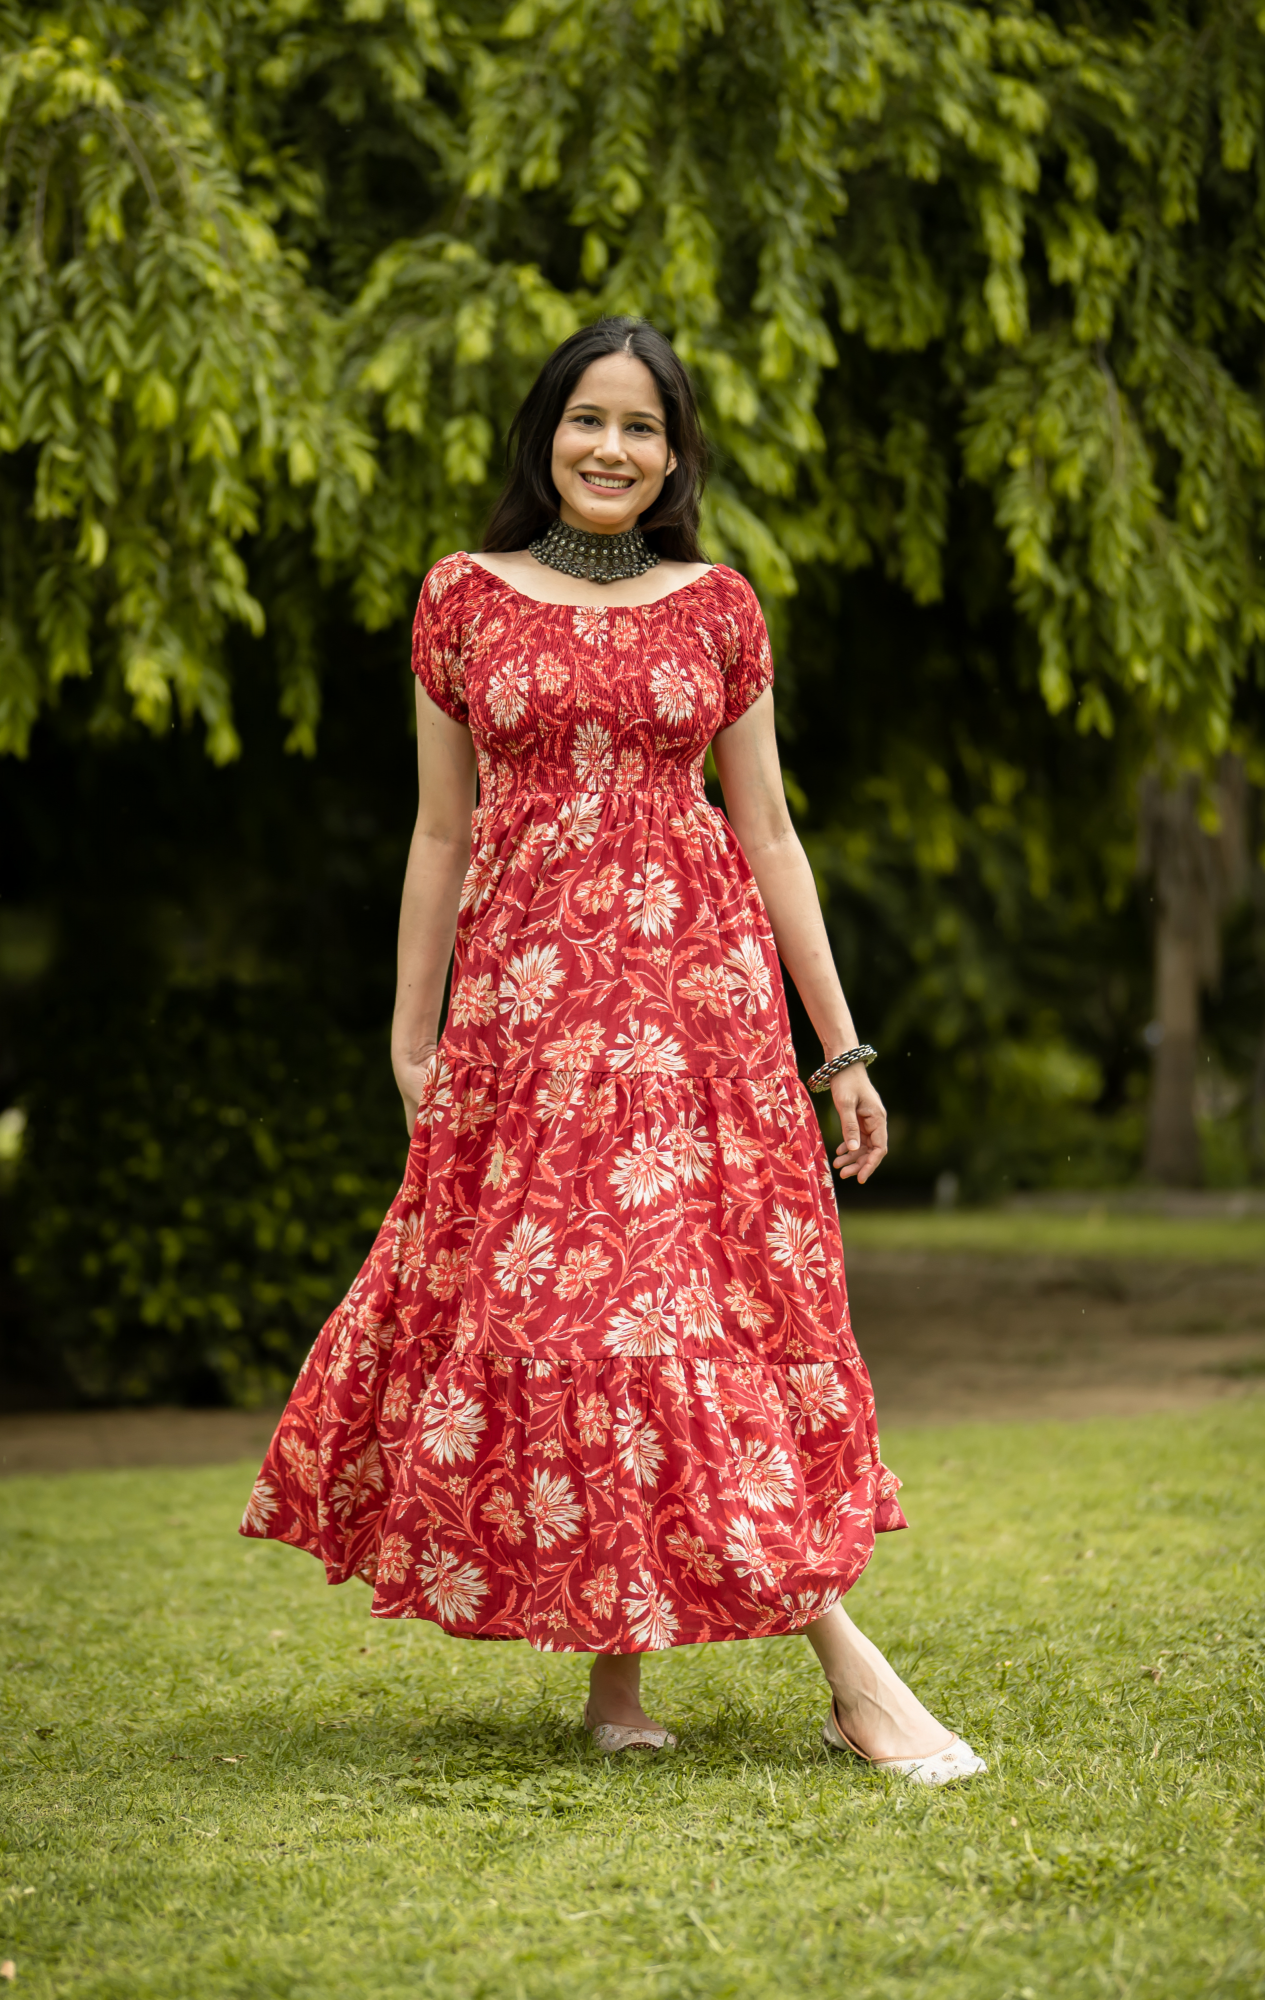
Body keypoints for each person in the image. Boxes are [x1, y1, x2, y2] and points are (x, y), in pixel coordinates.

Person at [242, 317, 984, 1784]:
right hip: (528, 1016)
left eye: (643, 427)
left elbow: (770, 832)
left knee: (675, 1308)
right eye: (589, 418)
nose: (612, 448)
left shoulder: (719, 607)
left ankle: (823, 1676)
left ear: (675, 454)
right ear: (546, 432)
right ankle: (705, 1675)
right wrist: (410, 1033)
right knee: (589, 1312)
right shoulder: (460, 597)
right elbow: (440, 832)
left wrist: (842, 1051)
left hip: (699, 1015)